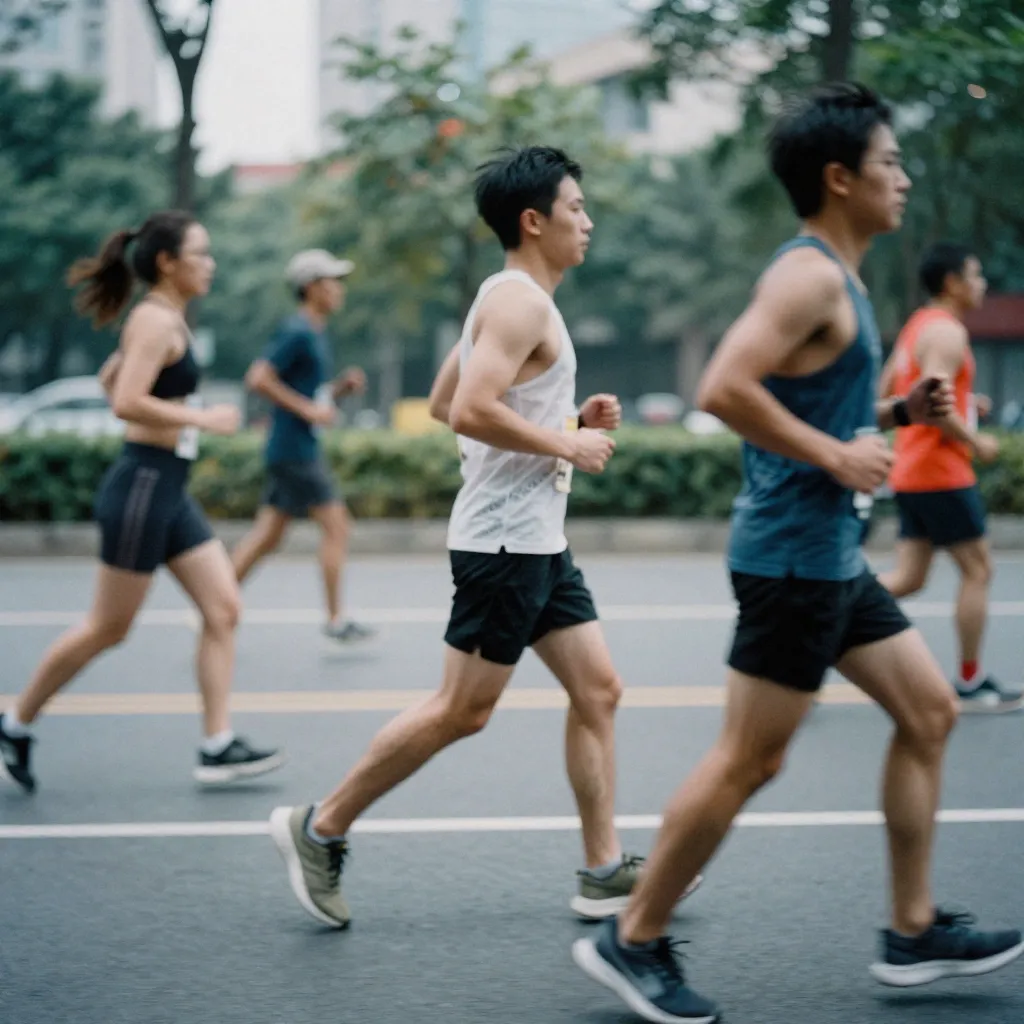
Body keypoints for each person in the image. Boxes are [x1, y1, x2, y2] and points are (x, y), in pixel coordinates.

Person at [572, 84, 1023, 1024]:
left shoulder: (840, 282)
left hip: (828, 555)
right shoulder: (809, 276)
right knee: (749, 759)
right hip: (791, 559)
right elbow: (721, 385)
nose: (902, 178)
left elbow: (814, 407)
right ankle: (635, 937)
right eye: (889, 162)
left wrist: (896, 418)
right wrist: (836, 453)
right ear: (839, 177)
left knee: (931, 711)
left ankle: (911, 932)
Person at [267, 145, 701, 930]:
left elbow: (446, 400)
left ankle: (603, 870)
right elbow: (467, 409)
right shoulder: (518, 302)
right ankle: (320, 826)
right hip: (505, 547)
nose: (588, 221)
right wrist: (569, 445)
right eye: (576, 208)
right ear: (534, 220)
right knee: (461, 711)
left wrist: (565, 421)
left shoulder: (509, 298)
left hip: (536, 541)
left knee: (598, 689)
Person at [0, 210, 284, 794]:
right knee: (108, 628)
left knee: (223, 608)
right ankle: (14, 721)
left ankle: (216, 744)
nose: (211, 265)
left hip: (168, 489)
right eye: (201, 254)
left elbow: (113, 379)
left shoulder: (161, 320)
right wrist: (203, 417)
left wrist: (162, 403)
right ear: (167, 262)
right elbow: (126, 400)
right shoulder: (156, 322)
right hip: (142, 488)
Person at [877, 243, 1021, 712]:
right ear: (953, 282)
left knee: (910, 577)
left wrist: (966, 404)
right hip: (940, 470)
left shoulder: (916, 327)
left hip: (911, 468)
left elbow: (889, 391)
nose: (982, 285)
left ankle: (823, 619)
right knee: (979, 570)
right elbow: (933, 400)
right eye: (976, 276)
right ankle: (969, 677)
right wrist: (974, 440)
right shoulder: (947, 332)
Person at [230, 250, 374, 646]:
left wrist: (338, 390)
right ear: (311, 287)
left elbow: (311, 396)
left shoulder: (314, 331)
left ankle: (216, 601)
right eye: (332, 282)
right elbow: (258, 378)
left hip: (293, 446)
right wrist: (307, 407)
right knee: (337, 526)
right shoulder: (296, 330)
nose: (339, 290)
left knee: (268, 536)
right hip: (294, 450)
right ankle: (334, 618)